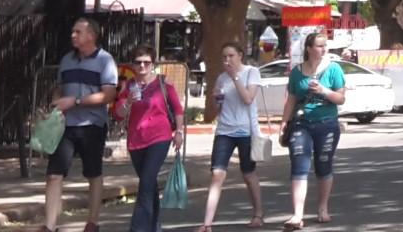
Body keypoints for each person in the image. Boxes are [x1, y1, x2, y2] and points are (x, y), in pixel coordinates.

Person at [41, 17, 118, 232]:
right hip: (65, 125)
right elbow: (60, 88)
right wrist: (56, 103)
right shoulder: (67, 60)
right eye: (72, 31)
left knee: (93, 173)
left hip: (92, 124)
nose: (73, 35)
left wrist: (75, 101)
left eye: (78, 32)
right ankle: (49, 225)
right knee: (54, 174)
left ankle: (92, 222)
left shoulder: (105, 61)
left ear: (91, 35)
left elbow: (109, 95)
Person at [114, 45, 184, 232]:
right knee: (149, 184)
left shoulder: (163, 83)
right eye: (138, 62)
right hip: (136, 140)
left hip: (159, 138)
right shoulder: (128, 86)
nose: (142, 66)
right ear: (133, 65)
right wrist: (128, 102)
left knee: (145, 182)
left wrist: (179, 131)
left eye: (147, 62)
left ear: (153, 64)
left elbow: (177, 109)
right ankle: (154, 226)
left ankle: (138, 228)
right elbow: (118, 114)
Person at [280, 32, 346, 228]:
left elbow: (341, 98)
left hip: (327, 124)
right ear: (308, 49)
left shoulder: (334, 69)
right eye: (319, 46)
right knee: (299, 164)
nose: (323, 49)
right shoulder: (297, 72)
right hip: (302, 123)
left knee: (323, 165)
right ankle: (297, 215)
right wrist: (284, 122)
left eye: (325, 46)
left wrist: (324, 91)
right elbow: (291, 99)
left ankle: (323, 207)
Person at [198, 42, 264, 232]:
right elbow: (217, 109)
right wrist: (216, 99)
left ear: (240, 55)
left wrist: (235, 76)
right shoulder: (221, 78)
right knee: (217, 174)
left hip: (246, 131)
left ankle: (258, 213)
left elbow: (248, 98)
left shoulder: (251, 72)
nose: (227, 60)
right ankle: (207, 223)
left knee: (248, 173)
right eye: (224, 57)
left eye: (231, 56)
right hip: (224, 130)